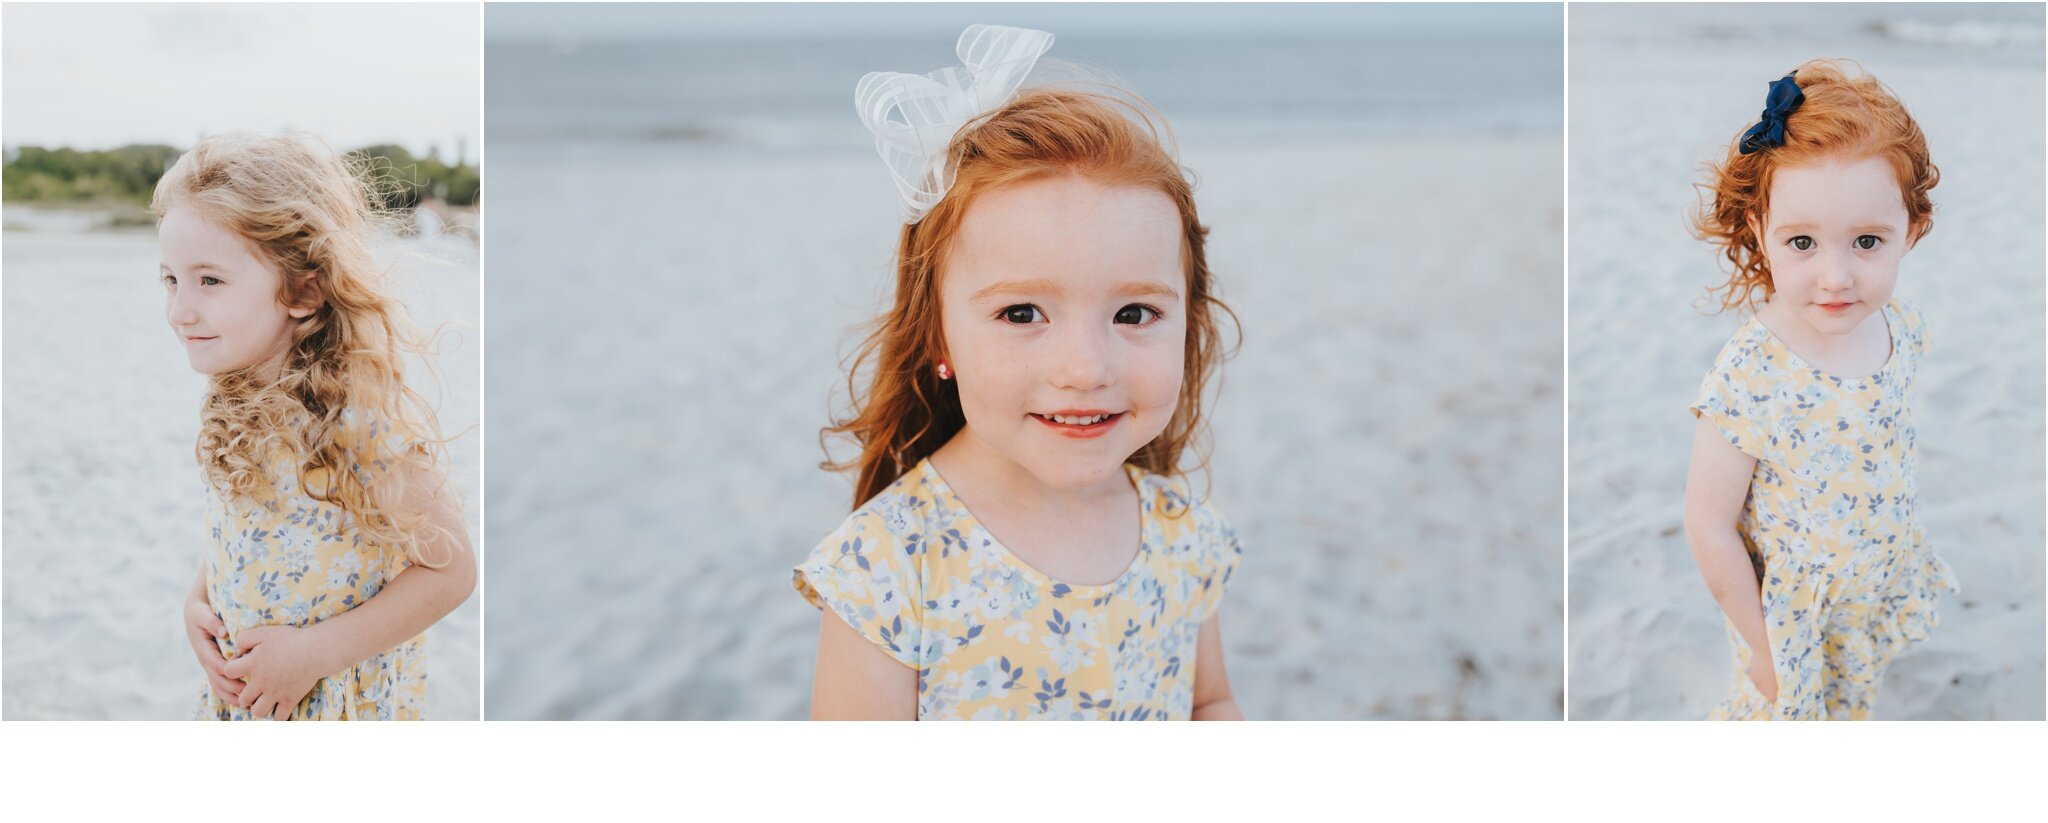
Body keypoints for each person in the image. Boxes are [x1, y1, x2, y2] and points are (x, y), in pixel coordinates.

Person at [795, 25, 1244, 720]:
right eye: (1022, 312)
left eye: (1133, 314)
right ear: (938, 333)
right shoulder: (888, 566)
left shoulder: (1181, 533)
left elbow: (1208, 701)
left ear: (1190, 323)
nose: (1084, 368)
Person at [162, 133, 476, 720]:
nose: (180, 309)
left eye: (209, 280)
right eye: (171, 280)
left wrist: (312, 653)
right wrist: (198, 598)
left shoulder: (359, 420)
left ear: (303, 290)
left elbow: (452, 573)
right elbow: (243, 524)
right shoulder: (232, 397)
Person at [1685, 60, 1955, 720]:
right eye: (1802, 242)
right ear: (1759, 231)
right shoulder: (1753, 370)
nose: (1835, 276)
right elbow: (1709, 523)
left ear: (1910, 231)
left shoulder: (1899, 326)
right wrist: (1763, 646)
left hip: (1866, 592)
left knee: (1847, 707)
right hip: (1785, 619)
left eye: (1867, 241)